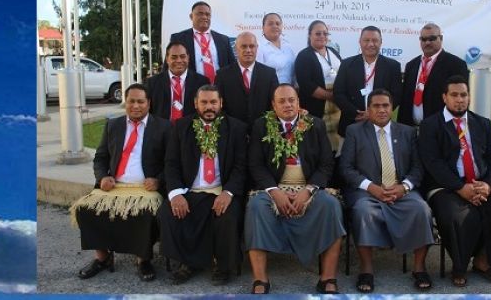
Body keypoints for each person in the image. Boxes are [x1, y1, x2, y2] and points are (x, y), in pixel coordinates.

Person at [418, 75, 491, 287]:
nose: (459, 99)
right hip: (444, 186)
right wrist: (460, 187)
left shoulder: (482, 124)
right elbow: (433, 163)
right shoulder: (430, 125)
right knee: (460, 216)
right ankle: (459, 267)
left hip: (481, 184)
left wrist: (489, 185)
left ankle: (483, 261)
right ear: (444, 97)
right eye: (454, 95)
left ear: (469, 97)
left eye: (463, 95)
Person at [244, 84, 345, 294]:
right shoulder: (262, 125)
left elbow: (326, 164)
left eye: (291, 100)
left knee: (331, 206)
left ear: (299, 102)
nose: (287, 104)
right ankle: (260, 279)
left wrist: (307, 191)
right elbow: (256, 164)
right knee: (255, 207)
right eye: (281, 101)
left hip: (308, 189)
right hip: (273, 190)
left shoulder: (315, 125)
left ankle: (327, 277)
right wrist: (275, 191)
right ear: (273, 105)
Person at [71, 83, 171, 282]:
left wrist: (159, 180)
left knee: (143, 213)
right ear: (125, 103)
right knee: (85, 209)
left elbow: (171, 162)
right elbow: (100, 158)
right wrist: (102, 178)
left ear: (148, 103)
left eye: (140, 101)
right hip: (115, 185)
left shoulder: (163, 126)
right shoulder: (113, 125)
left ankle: (143, 260)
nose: (136, 106)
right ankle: (103, 258)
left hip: (145, 188)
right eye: (131, 101)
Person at [339, 88, 435, 293]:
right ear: (368, 109)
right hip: (367, 192)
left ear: (392, 108)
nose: (381, 110)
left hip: (401, 190)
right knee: (363, 211)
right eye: (376, 106)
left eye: (386, 106)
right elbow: (345, 168)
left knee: (422, 210)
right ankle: (366, 268)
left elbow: (418, 168)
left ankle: (419, 267)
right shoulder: (354, 131)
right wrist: (371, 187)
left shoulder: (408, 132)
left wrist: (404, 187)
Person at [157, 84, 248, 286]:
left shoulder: (236, 128)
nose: (209, 107)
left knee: (228, 215)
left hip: (220, 189)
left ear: (221, 103)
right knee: (169, 212)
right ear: (196, 104)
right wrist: (175, 194)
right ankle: (187, 263)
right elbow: (170, 164)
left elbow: (241, 167)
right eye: (204, 102)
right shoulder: (181, 127)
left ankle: (222, 265)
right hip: (191, 189)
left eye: (213, 102)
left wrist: (229, 192)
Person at [333, 26, 402, 138]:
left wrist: (375, 113)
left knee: (380, 155)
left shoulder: (392, 66)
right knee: (350, 155)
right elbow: (338, 93)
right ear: (360, 42)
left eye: (375, 40)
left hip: (381, 124)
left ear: (381, 42)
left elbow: (396, 95)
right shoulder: (347, 64)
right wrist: (355, 113)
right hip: (352, 122)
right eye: (366, 40)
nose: (371, 44)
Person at [398, 23, 469, 126]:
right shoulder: (411, 65)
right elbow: (405, 100)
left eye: (432, 39)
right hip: (411, 129)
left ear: (441, 38)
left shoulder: (456, 65)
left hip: (440, 129)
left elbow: (460, 99)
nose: (427, 42)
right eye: (423, 39)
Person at [215, 31, 278, 130]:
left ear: (257, 48)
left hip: (262, 131)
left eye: (252, 46)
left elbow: (275, 103)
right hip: (232, 132)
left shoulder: (269, 74)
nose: (248, 50)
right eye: (243, 46)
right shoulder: (222, 75)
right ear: (236, 49)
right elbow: (219, 105)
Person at [170, 1, 236, 83]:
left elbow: (232, 66)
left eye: (207, 14)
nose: (204, 17)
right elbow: (169, 66)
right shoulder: (178, 38)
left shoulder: (223, 40)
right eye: (200, 14)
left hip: (219, 88)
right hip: (191, 88)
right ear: (191, 16)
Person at [145, 41, 209, 123]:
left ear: (188, 58)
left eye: (182, 57)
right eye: (174, 57)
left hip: (191, 131)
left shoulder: (202, 82)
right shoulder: (152, 83)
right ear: (167, 59)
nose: (179, 60)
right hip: (162, 132)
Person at [294, 20, 343, 118]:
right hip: (316, 108)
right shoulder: (303, 56)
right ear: (309, 35)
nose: (322, 36)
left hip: (338, 107)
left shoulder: (333, 51)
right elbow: (306, 85)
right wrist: (332, 97)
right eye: (318, 33)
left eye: (325, 33)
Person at [256, 13, 297, 85]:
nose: (275, 26)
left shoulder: (288, 46)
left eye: (278, 24)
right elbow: (258, 75)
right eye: (270, 24)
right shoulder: (259, 47)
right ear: (263, 27)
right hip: (270, 92)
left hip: (289, 91)